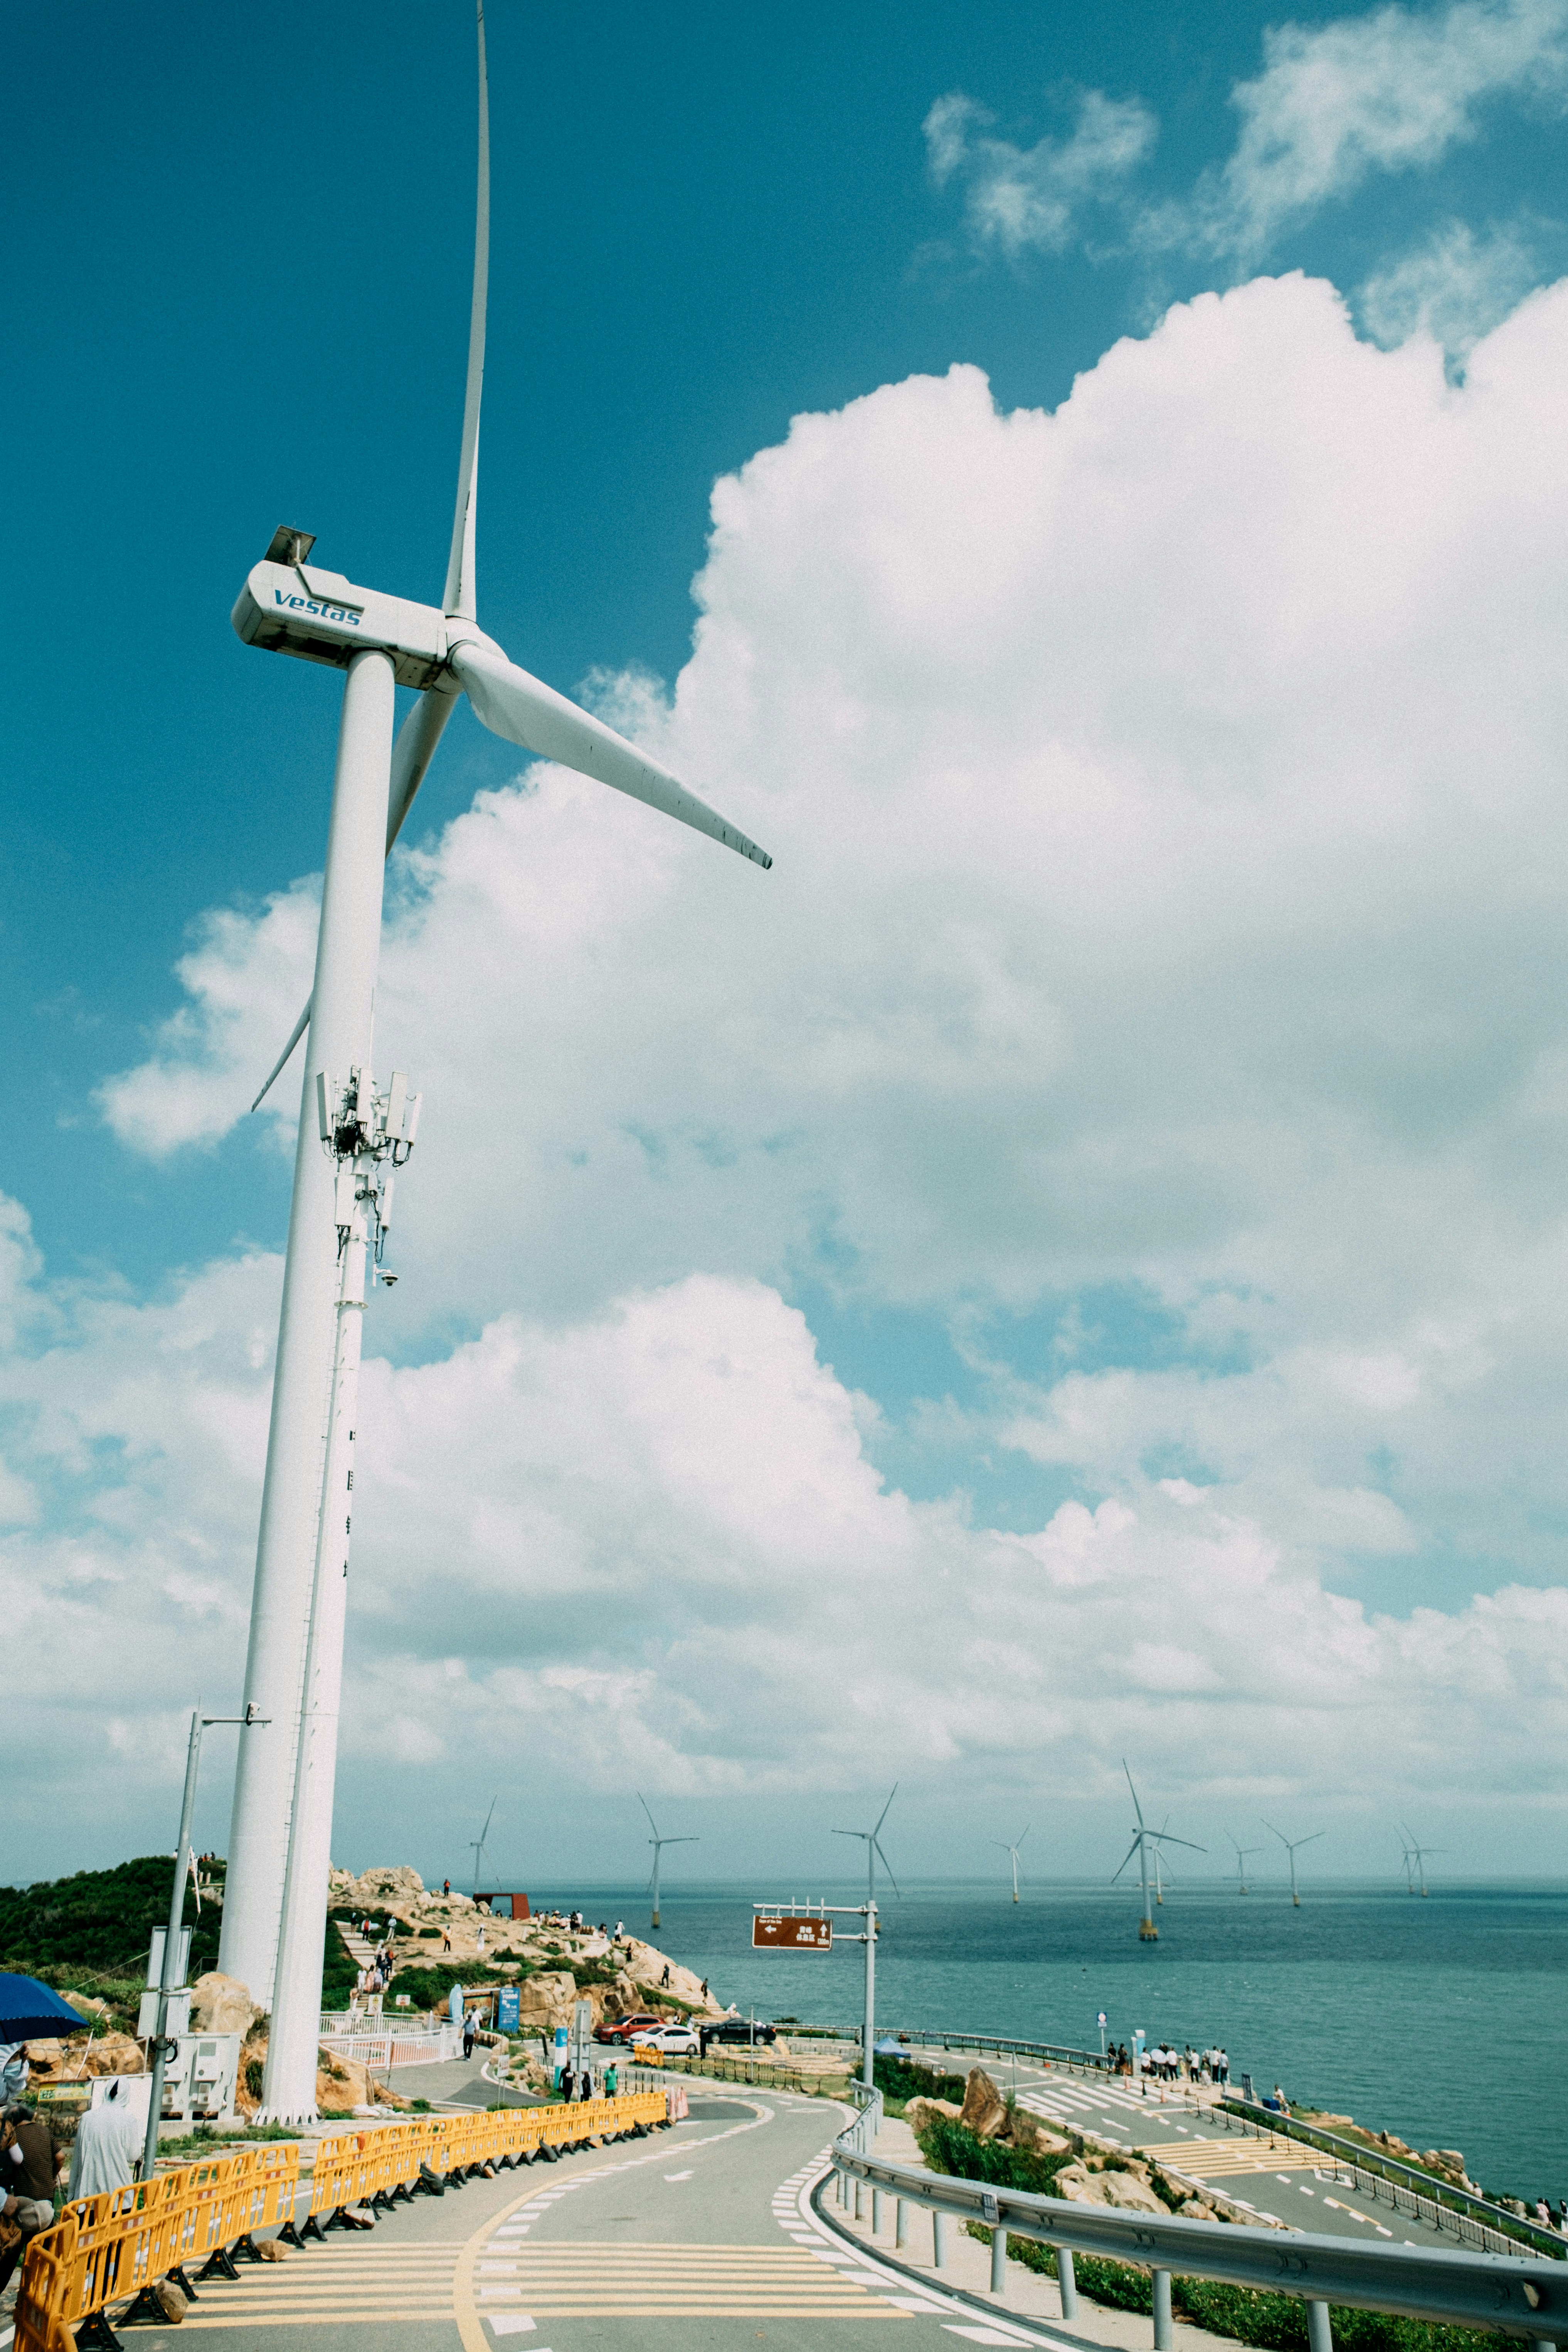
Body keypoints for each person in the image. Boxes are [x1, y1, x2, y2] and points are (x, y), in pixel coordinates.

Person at [0, 2107, 64, 2299]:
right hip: (47, 2202)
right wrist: (52, 2178)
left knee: (25, 2251)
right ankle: (43, 2295)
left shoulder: (14, 2134)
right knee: (46, 2251)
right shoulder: (45, 2131)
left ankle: (27, 2296)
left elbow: (17, 2161)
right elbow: (60, 2157)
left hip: (24, 2206)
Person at [67, 2084, 140, 2199]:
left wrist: (71, 2193)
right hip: (118, 2197)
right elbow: (133, 2156)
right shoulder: (130, 2119)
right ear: (126, 2096)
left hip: (87, 2197)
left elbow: (77, 2158)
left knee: (88, 2218)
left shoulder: (87, 2118)